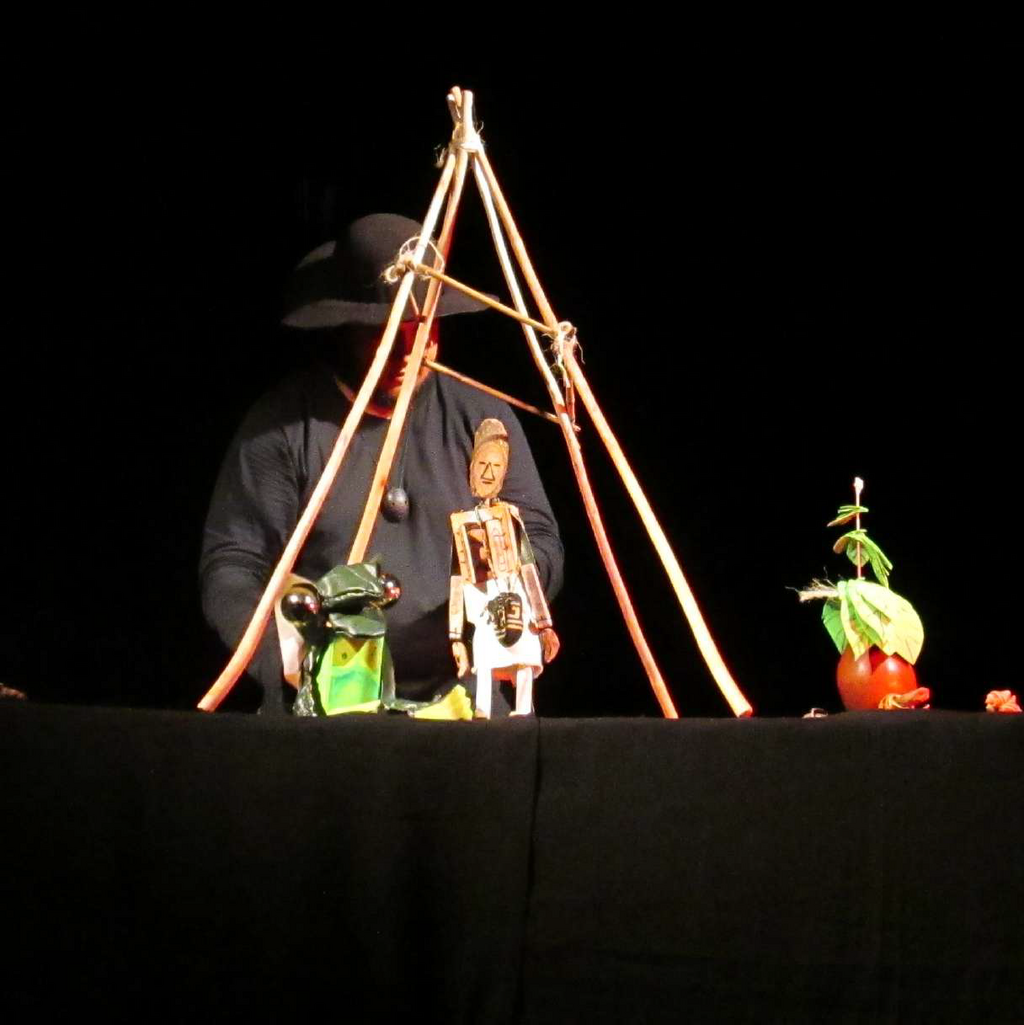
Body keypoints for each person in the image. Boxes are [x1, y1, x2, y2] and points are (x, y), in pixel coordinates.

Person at [200, 213, 564, 713]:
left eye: (422, 327)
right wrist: (295, 662)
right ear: (347, 325)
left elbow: (539, 539)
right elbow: (234, 565)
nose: (408, 350)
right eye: (386, 331)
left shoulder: (484, 421)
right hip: (327, 713)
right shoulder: (284, 425)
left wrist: (505, 590)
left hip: (467, 706)